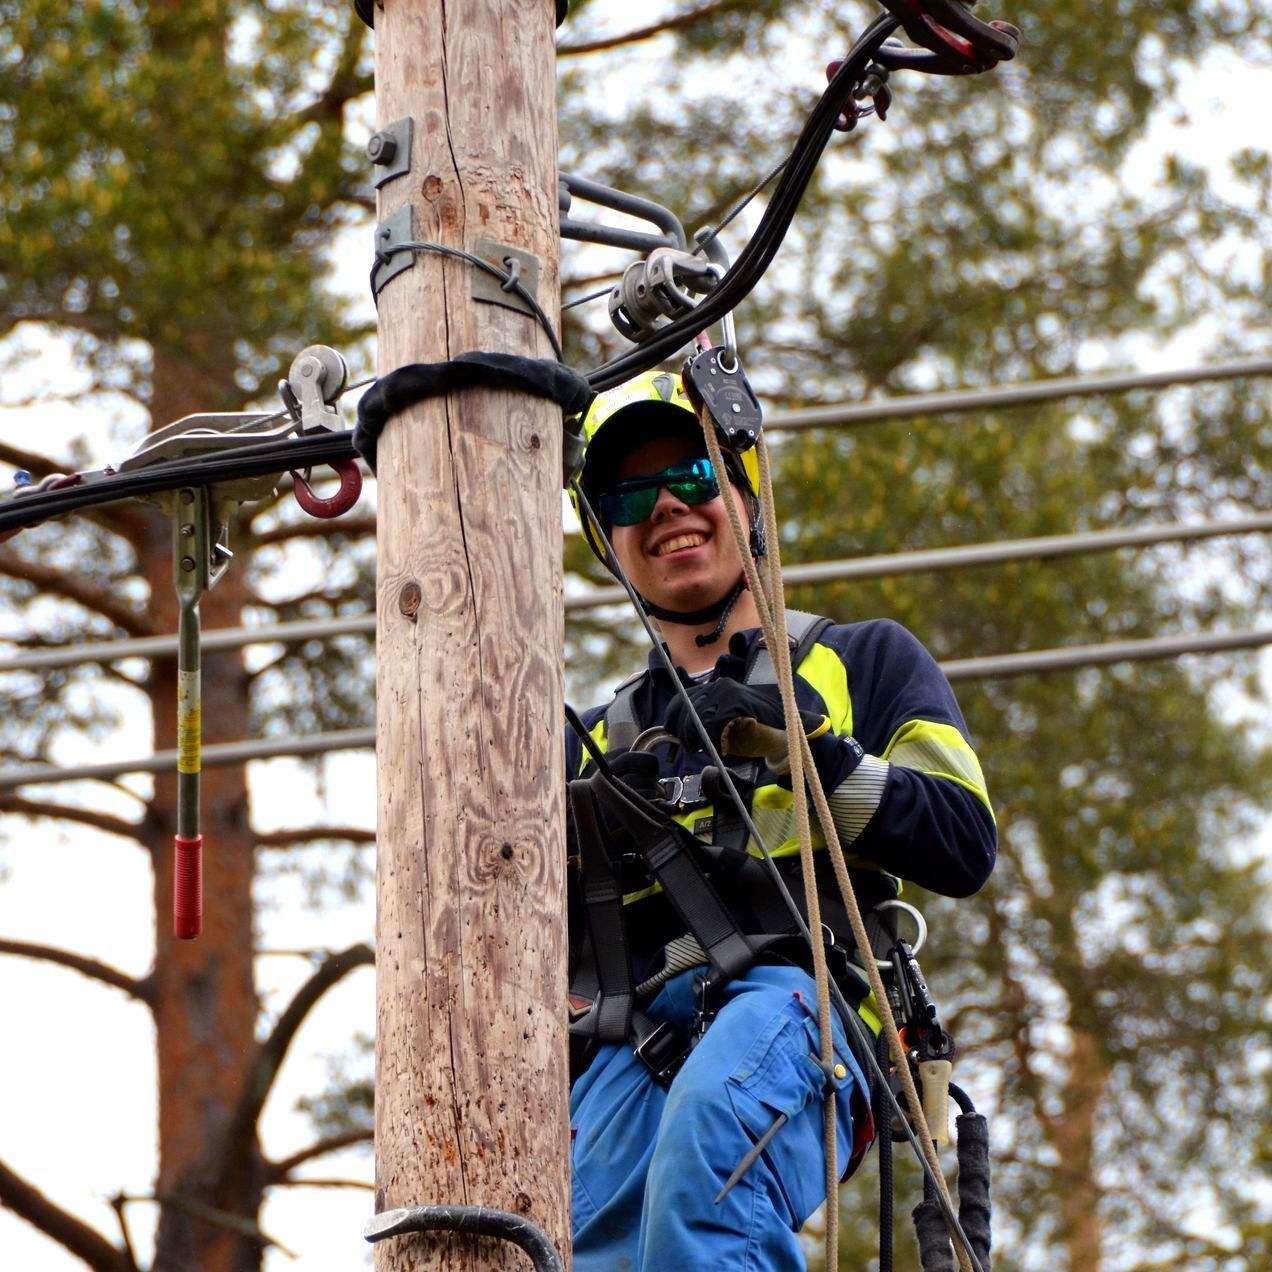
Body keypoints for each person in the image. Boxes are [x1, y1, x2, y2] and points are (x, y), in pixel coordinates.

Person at [565, 369, 996, 1270]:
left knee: (707, 1169)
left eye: (692, 477)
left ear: (745, 490)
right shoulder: (598, 739)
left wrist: (810, 753)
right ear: (605, 536)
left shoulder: (856, 661)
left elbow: (961, 840)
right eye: (629, 494)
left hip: (802, 1002)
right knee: (585, 1244)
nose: (668, 507)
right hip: (631, 1033)